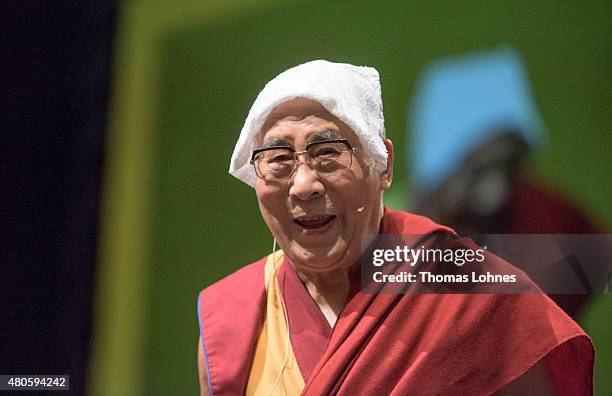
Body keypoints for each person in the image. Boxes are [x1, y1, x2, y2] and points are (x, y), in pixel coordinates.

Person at [196, 60, 593, 395]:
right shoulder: (235, 322)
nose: (303, 184)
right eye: (278, 158)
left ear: (382, 165)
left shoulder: (471, 290)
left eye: (328, 153)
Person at [408, 47, 604, 317]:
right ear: (436, 170)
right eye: (476, 173)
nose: (496, 192)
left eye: (509, 168)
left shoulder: (547, 221)